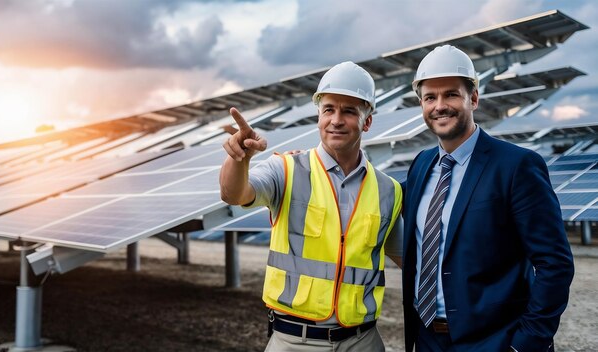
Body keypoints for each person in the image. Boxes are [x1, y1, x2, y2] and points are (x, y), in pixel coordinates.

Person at [401, 45, 575, 352]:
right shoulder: (420, 166)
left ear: (474, 98)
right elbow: (377, 194)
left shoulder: (516, 166)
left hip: (495, 341)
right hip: (428, 339)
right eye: (430, 97)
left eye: (451, 94)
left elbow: (554, 264)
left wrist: (526, 343)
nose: (440, 106)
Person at [219, 61, 403, 351]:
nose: (336, 120)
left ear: (367, 121)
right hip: (294, 341)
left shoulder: (389, 191)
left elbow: (413, 261)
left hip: (362, 341)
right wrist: (238, 159)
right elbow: (234, 193)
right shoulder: (285, 169)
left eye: (349, 111)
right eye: (329, 109)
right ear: (319, 115)